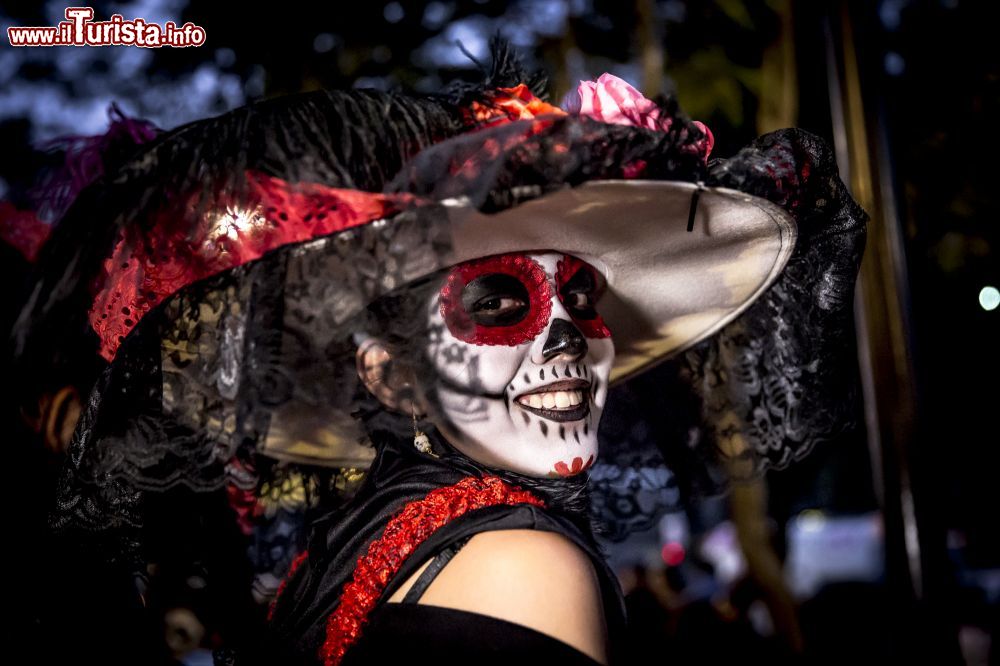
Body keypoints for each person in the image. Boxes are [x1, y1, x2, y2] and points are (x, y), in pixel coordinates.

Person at [21, 44, 866, 666]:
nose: (566, 335)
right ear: (389, 373)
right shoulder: (520, 563)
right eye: (497, 301)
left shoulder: (368, 544)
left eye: (582, 297)